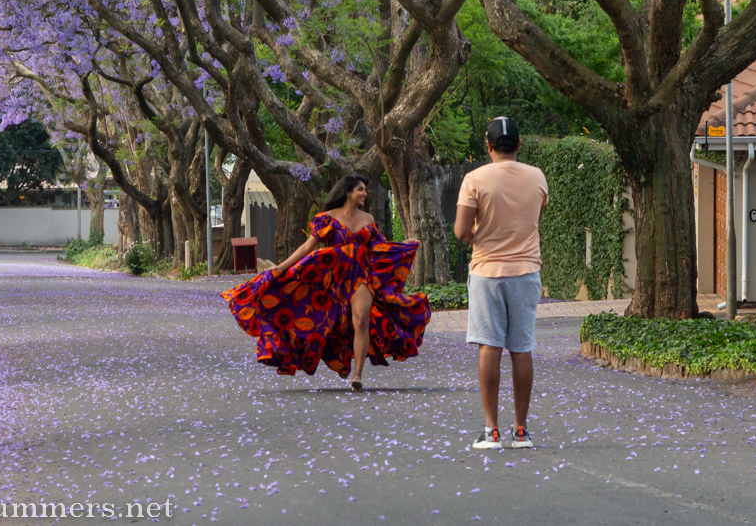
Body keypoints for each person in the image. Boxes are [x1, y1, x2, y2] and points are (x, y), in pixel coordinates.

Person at [223, 174, 431, 391]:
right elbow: (307, 247)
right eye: (361, 189)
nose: (365, 194)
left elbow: (380, 248)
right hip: (331, 277)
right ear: (348, 192)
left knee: (361, 320)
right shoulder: (327, 218)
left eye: (365, 190)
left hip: (362, 276)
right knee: (333, 323)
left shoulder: (368, 219)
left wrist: (404, 244)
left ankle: (357, 375)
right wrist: (281, 266)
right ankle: (340, 358)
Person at [454, 118, 547, 450]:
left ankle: (491, 430)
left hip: (487, 272)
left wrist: (482, 235)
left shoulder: (474, 179)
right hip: (526, 272)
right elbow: (534, 214)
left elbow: (462, 231)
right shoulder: (537, 177)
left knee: (489, 346)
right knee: (521, 348)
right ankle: (520, 431)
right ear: (519, 145)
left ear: (488, 145)